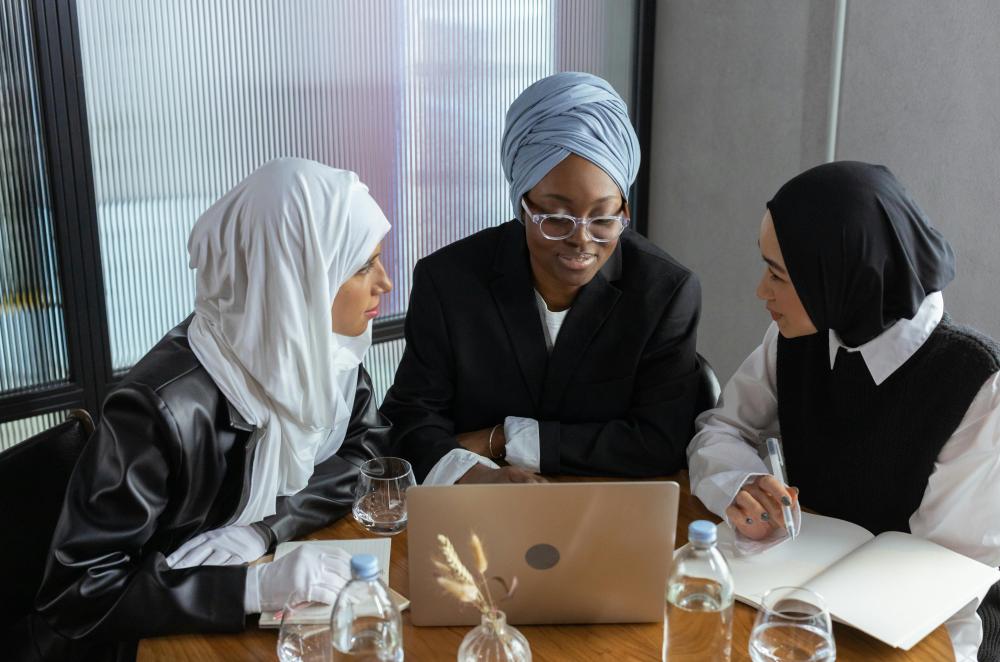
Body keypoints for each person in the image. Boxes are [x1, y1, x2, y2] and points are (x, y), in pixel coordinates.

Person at [17, 158, 394, 662]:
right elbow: (78, 592)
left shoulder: (318, 352)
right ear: (295, 277)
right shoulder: (157, 409)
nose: (385, 282)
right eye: (361, 266)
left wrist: (264, 527)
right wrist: (248, 590)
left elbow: (365, 455)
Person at [687, 161, 1000, 661]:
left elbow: (947, 580)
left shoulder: (977, 384)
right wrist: (739, 484)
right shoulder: (799, 335)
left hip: (921, 625)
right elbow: (721, 429)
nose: (760, 291)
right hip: (800, 597)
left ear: (840, 278)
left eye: (777, 274)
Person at [382, 72, 702, 485]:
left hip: (609, 510)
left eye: (604, 218)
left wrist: (504, 440)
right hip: (475, 513)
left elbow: (661, 442)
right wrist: (473, 477)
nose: (582, 241)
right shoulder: (449, 281)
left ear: (624, 209)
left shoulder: (665, 292)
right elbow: (410, 421)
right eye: (555, 217)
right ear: (522, 205)